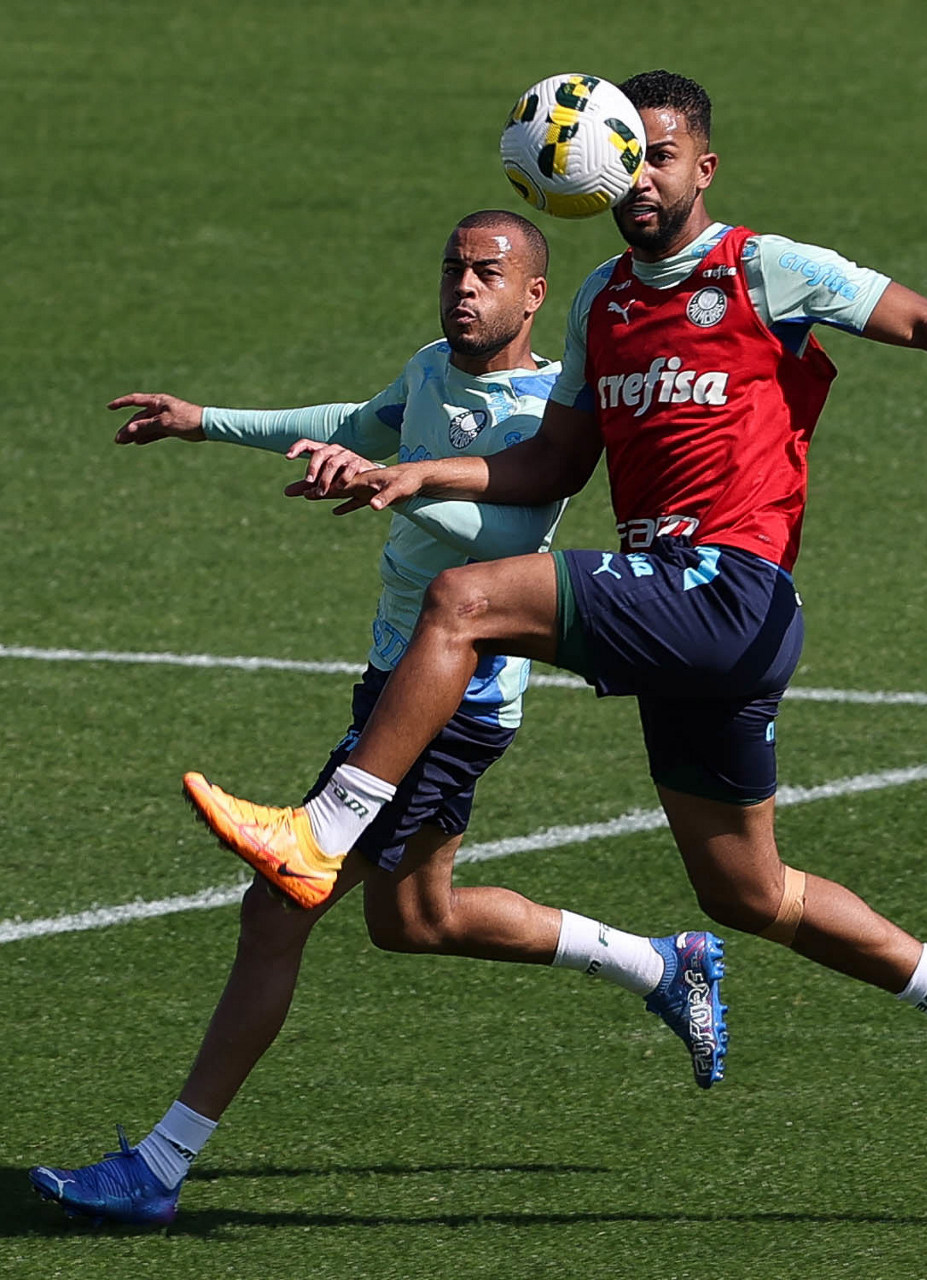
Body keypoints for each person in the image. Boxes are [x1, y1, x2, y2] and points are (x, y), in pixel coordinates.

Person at [187, 71, 927, 1167]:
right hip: (684, 620)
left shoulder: (763, 268)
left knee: (465, 600)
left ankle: (320, 833)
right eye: (625, 155)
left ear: (705, 167)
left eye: (661, 155)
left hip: (729, 587)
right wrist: (417, 473)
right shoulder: (602, 301)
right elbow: (552, 463)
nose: (639, 176)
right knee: (746, 890)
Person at [28, 209, 729, 1228]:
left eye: (488, 274)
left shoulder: (545, 412)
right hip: (396, 683)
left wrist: (392, 486)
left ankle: (159, 1166)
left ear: (535, 295)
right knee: (415, 919)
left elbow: (502, 532)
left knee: (277, 907)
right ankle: (664, 963)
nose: (463, 288)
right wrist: (203, 419)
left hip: (453, 703)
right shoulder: (432, 370)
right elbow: (359, 421)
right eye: (453, 269)